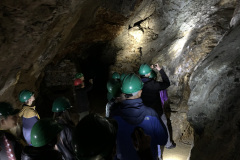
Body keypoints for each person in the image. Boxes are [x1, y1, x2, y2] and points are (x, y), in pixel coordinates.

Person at [110, 73, 168, 160]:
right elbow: (163, 140)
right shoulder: (151, 114)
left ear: (123, 92)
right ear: (140, 92)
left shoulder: (114, 115)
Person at [149, 69, 176, 149]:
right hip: (158, 111)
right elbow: (165, 98)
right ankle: (168, 144)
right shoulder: (158, 87)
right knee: (164, 125)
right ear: (154, 78)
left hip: (147, 112)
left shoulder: (142, 86)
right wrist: (160, 70)